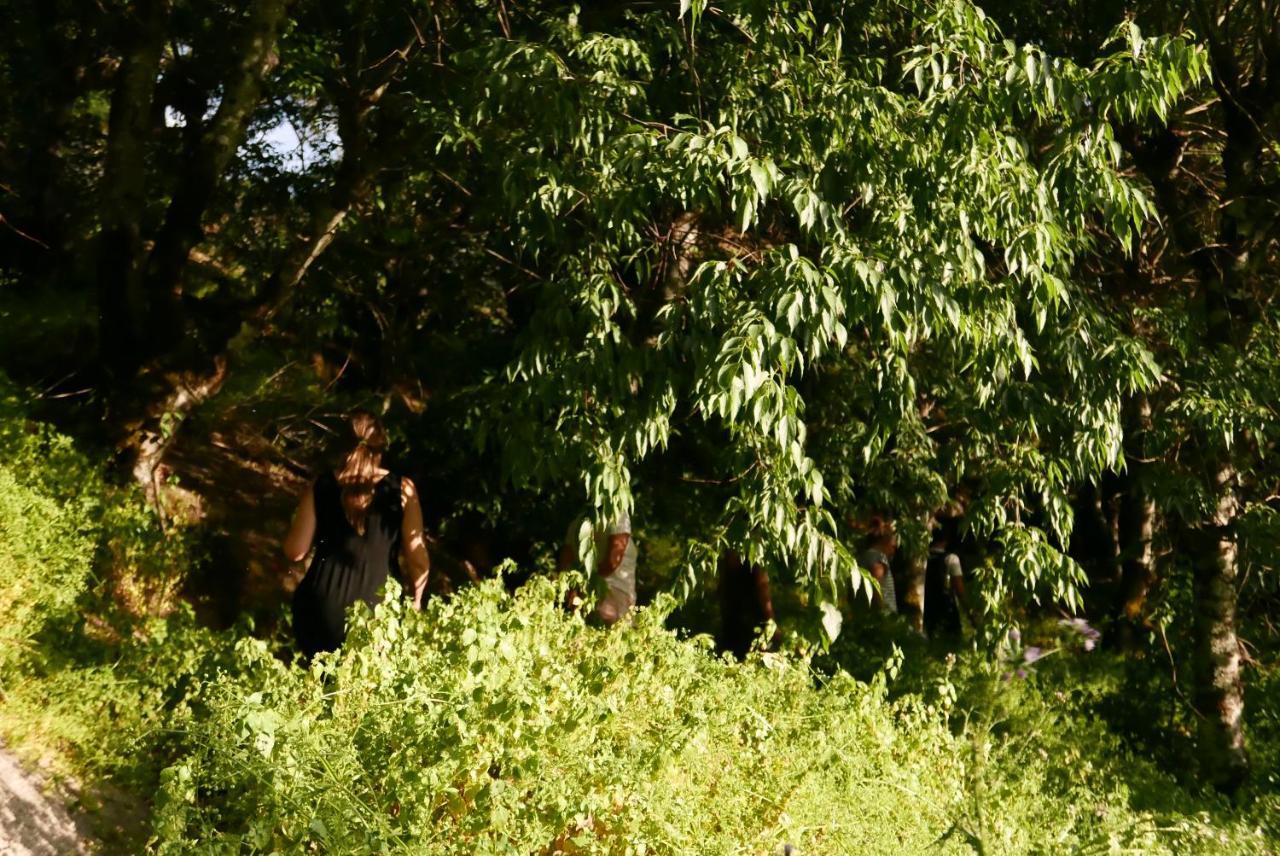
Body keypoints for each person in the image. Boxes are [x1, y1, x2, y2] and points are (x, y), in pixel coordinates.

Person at [282, 412, 430, 658]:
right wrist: (416, 600)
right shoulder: (402, 490)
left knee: (321, 687)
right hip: (378, 618)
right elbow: (417, 559)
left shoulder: (323, 485)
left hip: (320, 612)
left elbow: (295, 551)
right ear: (380, 448)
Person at [558, 512, 637, 626]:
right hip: (614, 594)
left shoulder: (578, 521)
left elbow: (566, 561)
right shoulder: (617, 514)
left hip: (588, 595)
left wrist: (574, 589)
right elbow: (612, 562)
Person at [716, 550, 777, 659]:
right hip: (750, 620)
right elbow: (762, 590)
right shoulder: (756, 558)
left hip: (732, 619)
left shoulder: (728, 555)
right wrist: (771, 620)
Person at [858, 517, 897, 616]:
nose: (895, 545)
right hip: (883, 618)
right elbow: (877, 587)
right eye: (893, 541)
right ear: (885, 540)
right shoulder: (876, 556)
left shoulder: (869, 555)